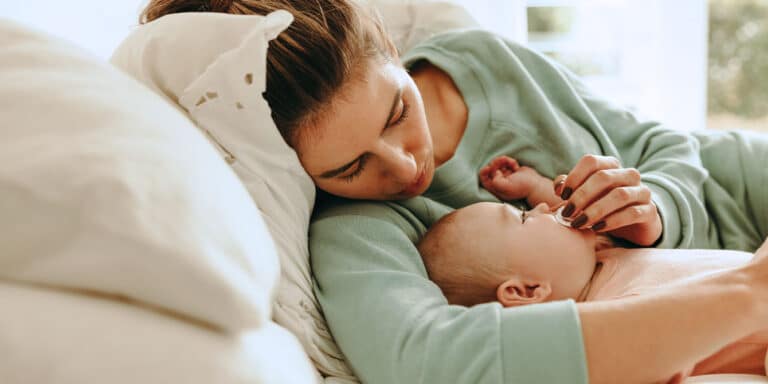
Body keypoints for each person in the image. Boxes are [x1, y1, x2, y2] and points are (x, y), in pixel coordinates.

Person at [138, 1, 768, 383]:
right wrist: (747, 294)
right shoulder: (356, 231)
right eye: (352, 167)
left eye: (395, 113)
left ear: (391, 49)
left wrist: (655, 207)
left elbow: (665, 144)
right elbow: (432, 363)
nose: (406, 164)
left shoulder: (480, 58)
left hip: (738, 182)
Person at [419, 160, 768, 379]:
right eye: (523, 216)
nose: (541, 208)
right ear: (527, 290)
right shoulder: (610, 315)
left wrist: (536, 185)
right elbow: (660, 359)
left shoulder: (601, 259)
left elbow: (582, 213)